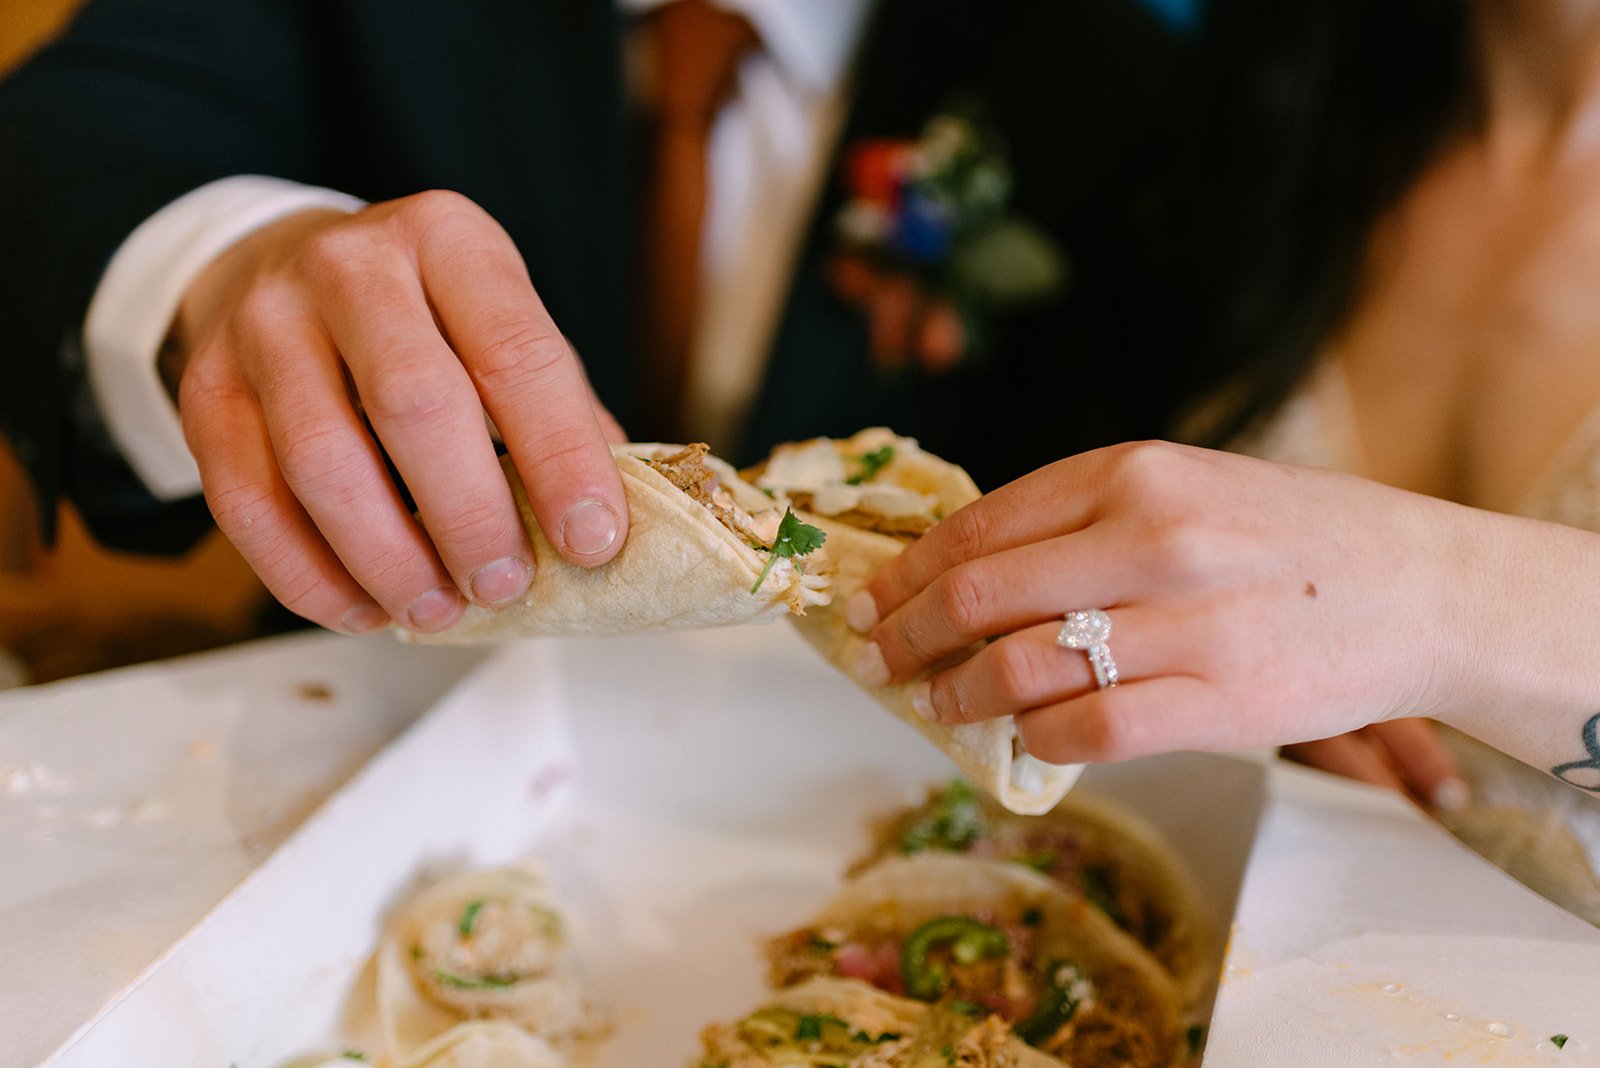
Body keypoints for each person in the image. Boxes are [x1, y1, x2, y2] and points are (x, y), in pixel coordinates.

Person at [0, 0, 1185, 648]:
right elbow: (53, 149)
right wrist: (225, 267)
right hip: (370, 716)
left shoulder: (1102, 69)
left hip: (844, 799)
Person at [841, 0, 1600, 889]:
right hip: (1252, 959)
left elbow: (1363, 597)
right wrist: (1252, 658)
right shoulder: (1248, 132)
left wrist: (1417, 607)